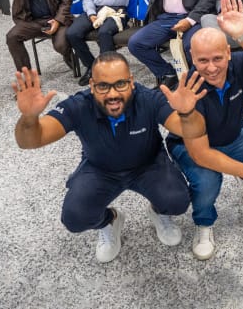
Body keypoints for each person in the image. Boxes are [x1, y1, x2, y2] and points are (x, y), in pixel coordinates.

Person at [11, 54, 193, 263]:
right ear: (92, 85)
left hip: (149, 164)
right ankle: (109, 222)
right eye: (103, 86)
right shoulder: (78, 105)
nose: (112, 94)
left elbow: (189, 130)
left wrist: (187, 113)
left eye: (121, 84)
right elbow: (30, 141)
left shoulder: (148, 99)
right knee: (75, 217)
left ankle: (159, 211)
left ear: (132, 81)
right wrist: (29, 118)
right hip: (100, 169)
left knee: (178, 201)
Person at [167, 0, 243, 260]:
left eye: (217, 59)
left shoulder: (239, 63)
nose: (211, 68)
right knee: (209, 180)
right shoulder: (190, 89)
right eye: (202, 61)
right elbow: (201, 154)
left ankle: (237, 166)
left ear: (228, 54)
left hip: (234, 135)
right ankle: (204, 223)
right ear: (192, 58)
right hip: (192, 147)